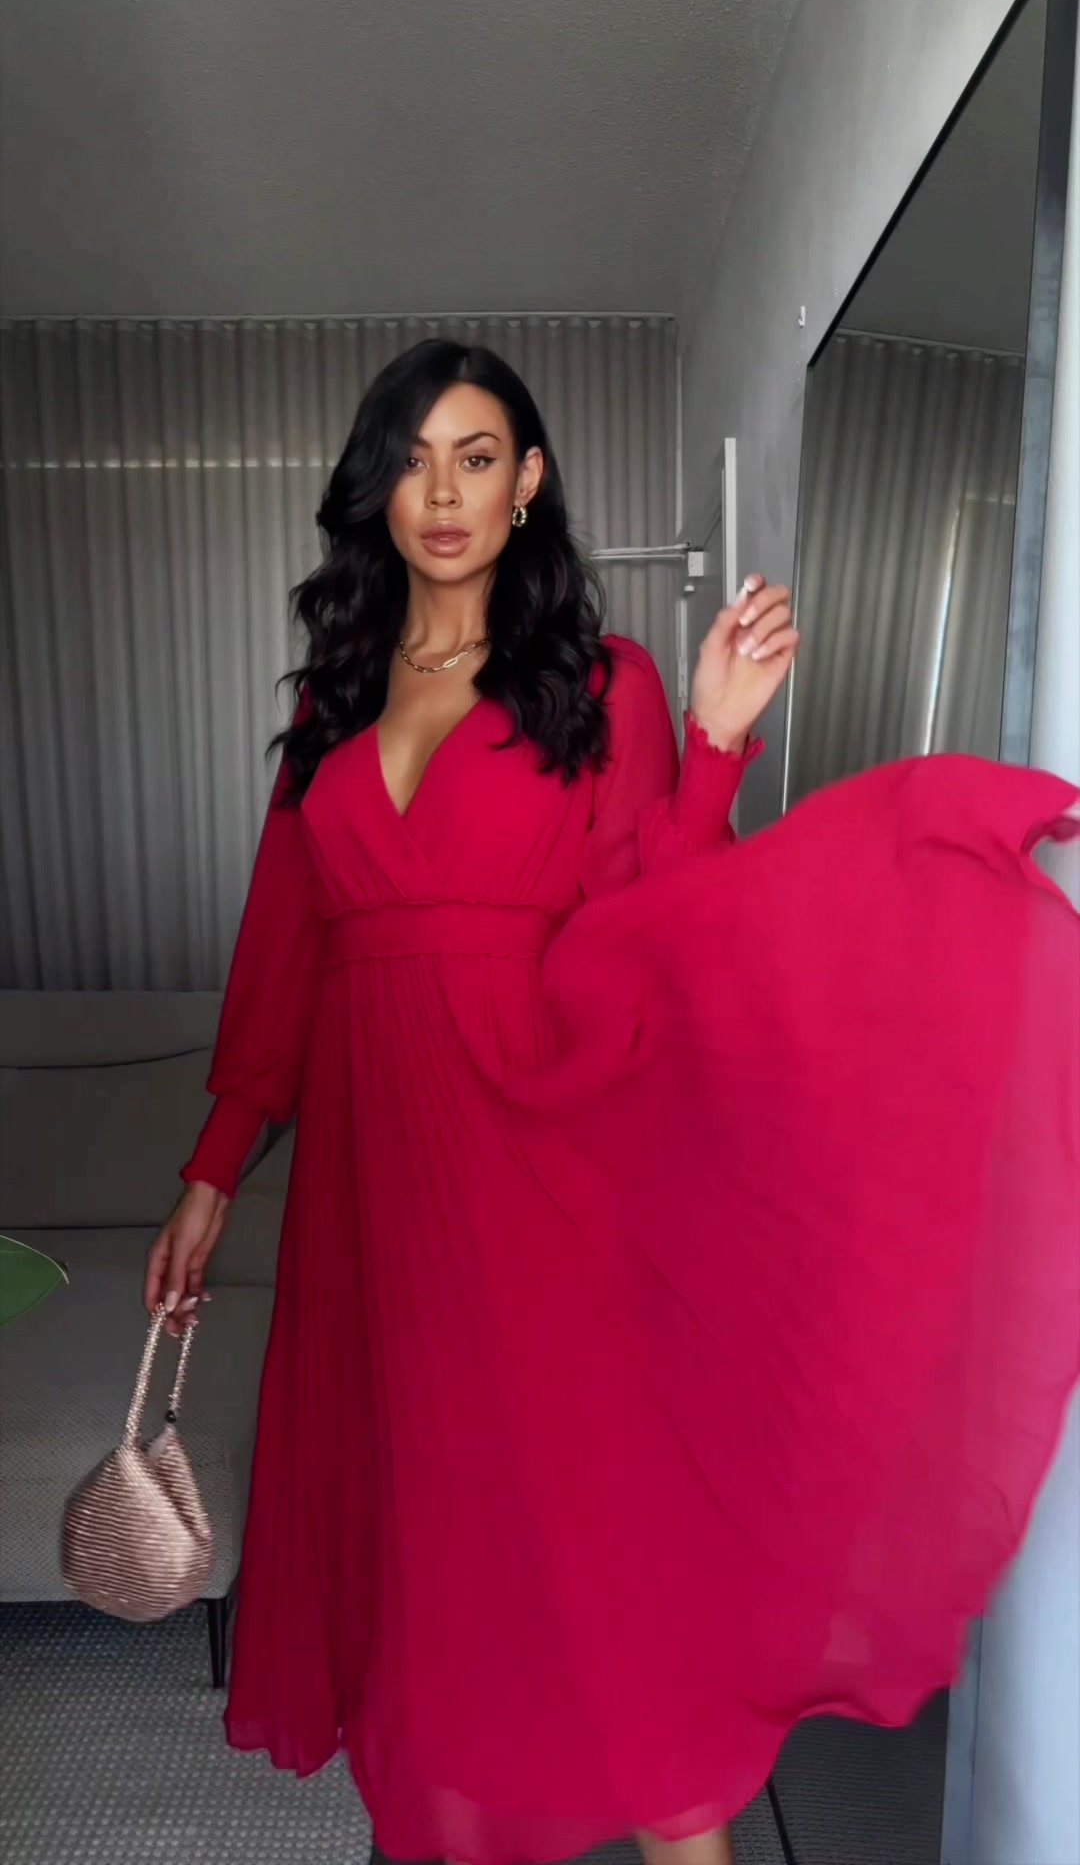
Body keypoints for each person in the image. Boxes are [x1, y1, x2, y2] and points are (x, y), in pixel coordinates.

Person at [147, 339, 1079, 1865]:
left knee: (598, 1550)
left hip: (537, 1149)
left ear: (528, 484)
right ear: (377, 490)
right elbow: (284, 950)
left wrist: (711, 748)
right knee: (429, 1551)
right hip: (376, 1182)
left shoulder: (601, 684)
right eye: (412, 460)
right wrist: (212, 1165)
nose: (444, 492)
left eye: (477, 457)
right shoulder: (330, 704)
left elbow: (656, 930)